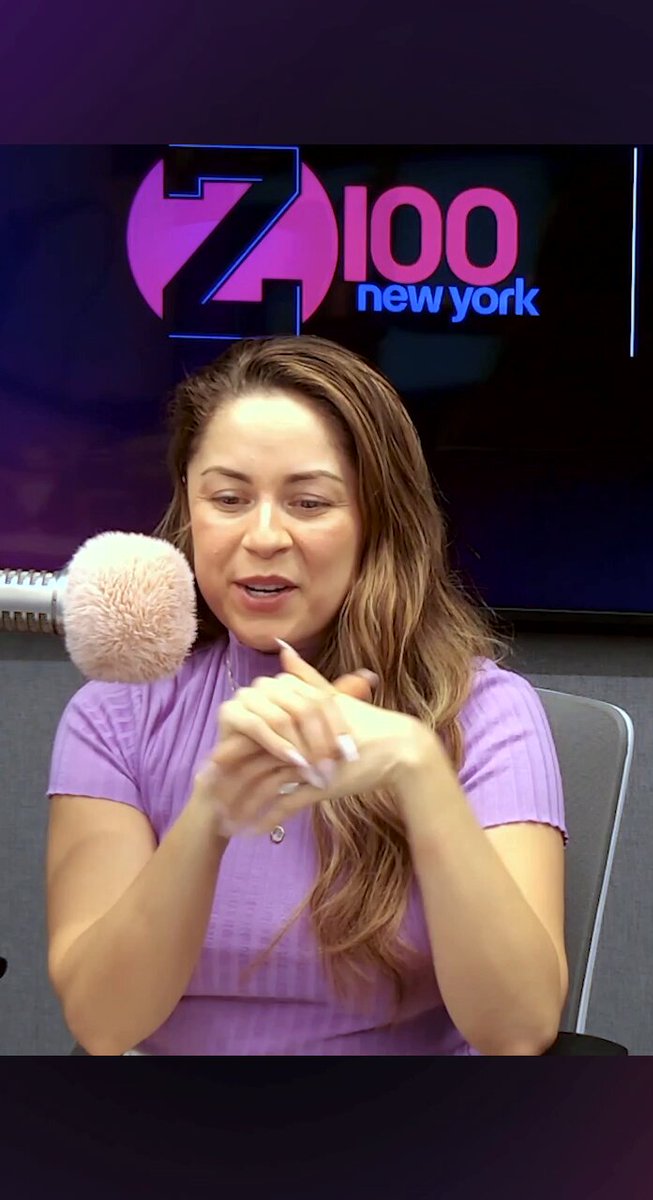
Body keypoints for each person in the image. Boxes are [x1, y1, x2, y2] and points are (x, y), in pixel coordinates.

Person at [45, 334, 568, 1057]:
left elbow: (518, 1030)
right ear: (189, 509)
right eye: (228, 499)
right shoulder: (116, 715)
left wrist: (419, 772)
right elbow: (103, 1025)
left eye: (309, 502)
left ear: (376, 521)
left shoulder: (484, 713)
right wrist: (210, 815)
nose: (263, 536)